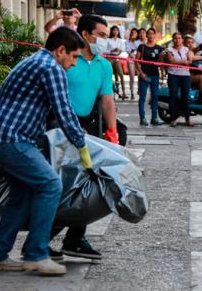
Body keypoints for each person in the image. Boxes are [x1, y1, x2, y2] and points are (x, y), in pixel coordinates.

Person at [0, 27, 89, 276]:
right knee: (50, 185)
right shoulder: (51, 68)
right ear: (60, 50)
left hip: (3, 137)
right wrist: (82, 144)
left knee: (23, 196)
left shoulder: (35, 59)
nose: (74, 64)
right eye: (73, 57)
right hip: (12, 140)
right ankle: (37, 255)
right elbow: (64, 111)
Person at [51, 15, 119, 261]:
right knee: (60, 185)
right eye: (100, 35)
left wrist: (112, 134)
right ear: (83, 33)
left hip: (85, 127)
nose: (103, 40)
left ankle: (75, 239)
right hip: (56, 126)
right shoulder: (67, 58)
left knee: (87, 183)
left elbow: (107, 101)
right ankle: (40, 241)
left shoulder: (104, 65)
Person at [136, 28, 164, 126]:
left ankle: (154, 118)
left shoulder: (159, 48)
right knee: (142, 97)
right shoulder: (142, 47)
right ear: (146, 35)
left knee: (155, 96)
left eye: (153, 34)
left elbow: (161, 63)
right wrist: (141, 73)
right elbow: (137, 61)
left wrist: (162, 74)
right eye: (149, 34)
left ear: (155, 35)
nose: (151, 36)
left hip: (155, 75)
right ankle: (142, 118)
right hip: (144, 75)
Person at [166, 32, 194, 127]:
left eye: (179, 38)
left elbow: (190, 61)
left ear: (182, 40)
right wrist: (184, 62)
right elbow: (171, 61)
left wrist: (179, 62)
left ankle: (187, 119)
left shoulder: (186, 49)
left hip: (185, 75)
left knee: (185, 97)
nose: (177, 40)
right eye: (175, 38)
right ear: (173, 40)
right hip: (173, 75)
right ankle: (173, 119)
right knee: (173, 96)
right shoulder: (169, 49)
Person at [183, 35, 202, 104]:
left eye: (192, 42)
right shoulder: (185, 51)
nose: (190, 44)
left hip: (193, 75)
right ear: (184, 43)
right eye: (188, 43)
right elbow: (191, 58)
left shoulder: (194, 52)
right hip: (185, 76)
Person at [107, 26, 127, 100]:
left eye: (117, 30)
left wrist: (119, 50)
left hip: (117, 58)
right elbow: (104, 50)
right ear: (111, 31)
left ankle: (123, 92)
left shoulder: (120, 40)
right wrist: (112, 51)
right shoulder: (108, 40)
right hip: (109, 57)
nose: (115, 32)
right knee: (109, 75)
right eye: (114, 30)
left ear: (118, 32)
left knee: (120, 74)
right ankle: (111, 93)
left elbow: (123, 49)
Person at [126, 28, 139, 100]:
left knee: (139, 75)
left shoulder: (138, 41)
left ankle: (139, 90)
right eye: (133, 32)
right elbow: (127, 50)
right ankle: (132, 92)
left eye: (135, 32)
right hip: (130, 59)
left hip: (137, 59)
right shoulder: (128, 41)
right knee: (132, 76)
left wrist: (134, 42)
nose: (134, 34)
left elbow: (139, 49)